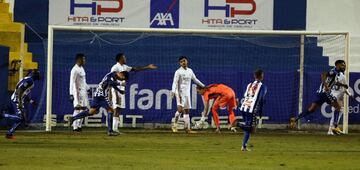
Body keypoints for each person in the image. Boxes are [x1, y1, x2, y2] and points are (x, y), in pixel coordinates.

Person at [290, 60, 346, 135]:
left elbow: (333, 81)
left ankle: (295, 119)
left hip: (320, 93)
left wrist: (342, 85)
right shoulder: (334, 71)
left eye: (344, 65)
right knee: (338, 107)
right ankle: (335, 126)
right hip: (325, 93)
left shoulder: (337, 73)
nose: (344, 66)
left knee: (311, 109)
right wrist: (326, 86)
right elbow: (323, 74)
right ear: (337, 65)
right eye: (342, 65)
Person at [69, 71, 128, 136]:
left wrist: (119, 90)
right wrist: (120, 83)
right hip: (101, 95)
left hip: (97, 94)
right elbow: (110, 82)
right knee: (110, 110)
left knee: (91, 112)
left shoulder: (114, 76)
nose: (121, 79)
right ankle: (110, 131)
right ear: (121, 74)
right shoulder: (112, 75)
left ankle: (73, 118)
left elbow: (112, 84)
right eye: (122, 78)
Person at [110, 53, 157, 133]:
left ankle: (115, 129)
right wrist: (111, 92)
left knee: (119, 109)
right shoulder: (115, 67)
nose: (125, 58)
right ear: (120, 58)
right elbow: (111, 80)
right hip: (116, 89)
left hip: (122, 90)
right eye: (124, 57)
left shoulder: (124, 67)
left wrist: (147, 67)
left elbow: (135, 69)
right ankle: (114, 129)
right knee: (116, 108)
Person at [1, 69, 40, 139]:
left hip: (18, 99)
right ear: (34, 74)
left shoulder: (29, 79)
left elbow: (24, 92)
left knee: (21, 118)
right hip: (16, 99)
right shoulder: (30, 81)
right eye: (38, 74)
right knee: (20, 118)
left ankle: (9, 134)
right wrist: (19, 102)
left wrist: (30, 100)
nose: (39, 75)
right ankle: (4, 115)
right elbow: (20, 90)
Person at [171, 56, 205, 133]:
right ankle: (174, 125)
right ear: (180, 63)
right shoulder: (178, 72)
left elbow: (195, 79)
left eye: (184, 61)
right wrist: (173, 91)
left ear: (187, 61)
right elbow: (175, 82)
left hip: (187, 93)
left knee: (186, 111)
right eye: (182, 61)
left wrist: (203, 86)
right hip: (180, 92)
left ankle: (187, 129)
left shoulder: (190, 71)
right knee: (180, 110)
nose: (183, 62)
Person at [238, 69, 267, 151]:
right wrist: (260, 111)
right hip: (251, 109)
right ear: (262, 76)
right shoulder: (263, 87)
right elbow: (261, 99)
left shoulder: (249, 85)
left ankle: (244, 146)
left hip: (244, 107)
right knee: (252, 129)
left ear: (254, 76)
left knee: (248, 127)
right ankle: (237, 124)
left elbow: (245, 96)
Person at [327, 68, 352, 135]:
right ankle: (332, 130)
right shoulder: (343, 76)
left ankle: (331, 130)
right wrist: (349, 94)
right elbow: (344, 88)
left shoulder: (332, 77)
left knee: (334, 114)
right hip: (338, 97)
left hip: (333, 96)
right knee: (337, 113)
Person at [69, 53, 90, 132]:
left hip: (83, 92)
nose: (84, 61)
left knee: (84, 109)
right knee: (78, 109)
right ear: (78, 59)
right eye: (83, 59)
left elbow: (83, 81)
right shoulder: (74, 70)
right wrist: (71, 94)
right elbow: (71, 82)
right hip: (77, 92)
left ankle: (79, 126)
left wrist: (88, 88)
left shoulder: (82, 68)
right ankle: (75, 127)